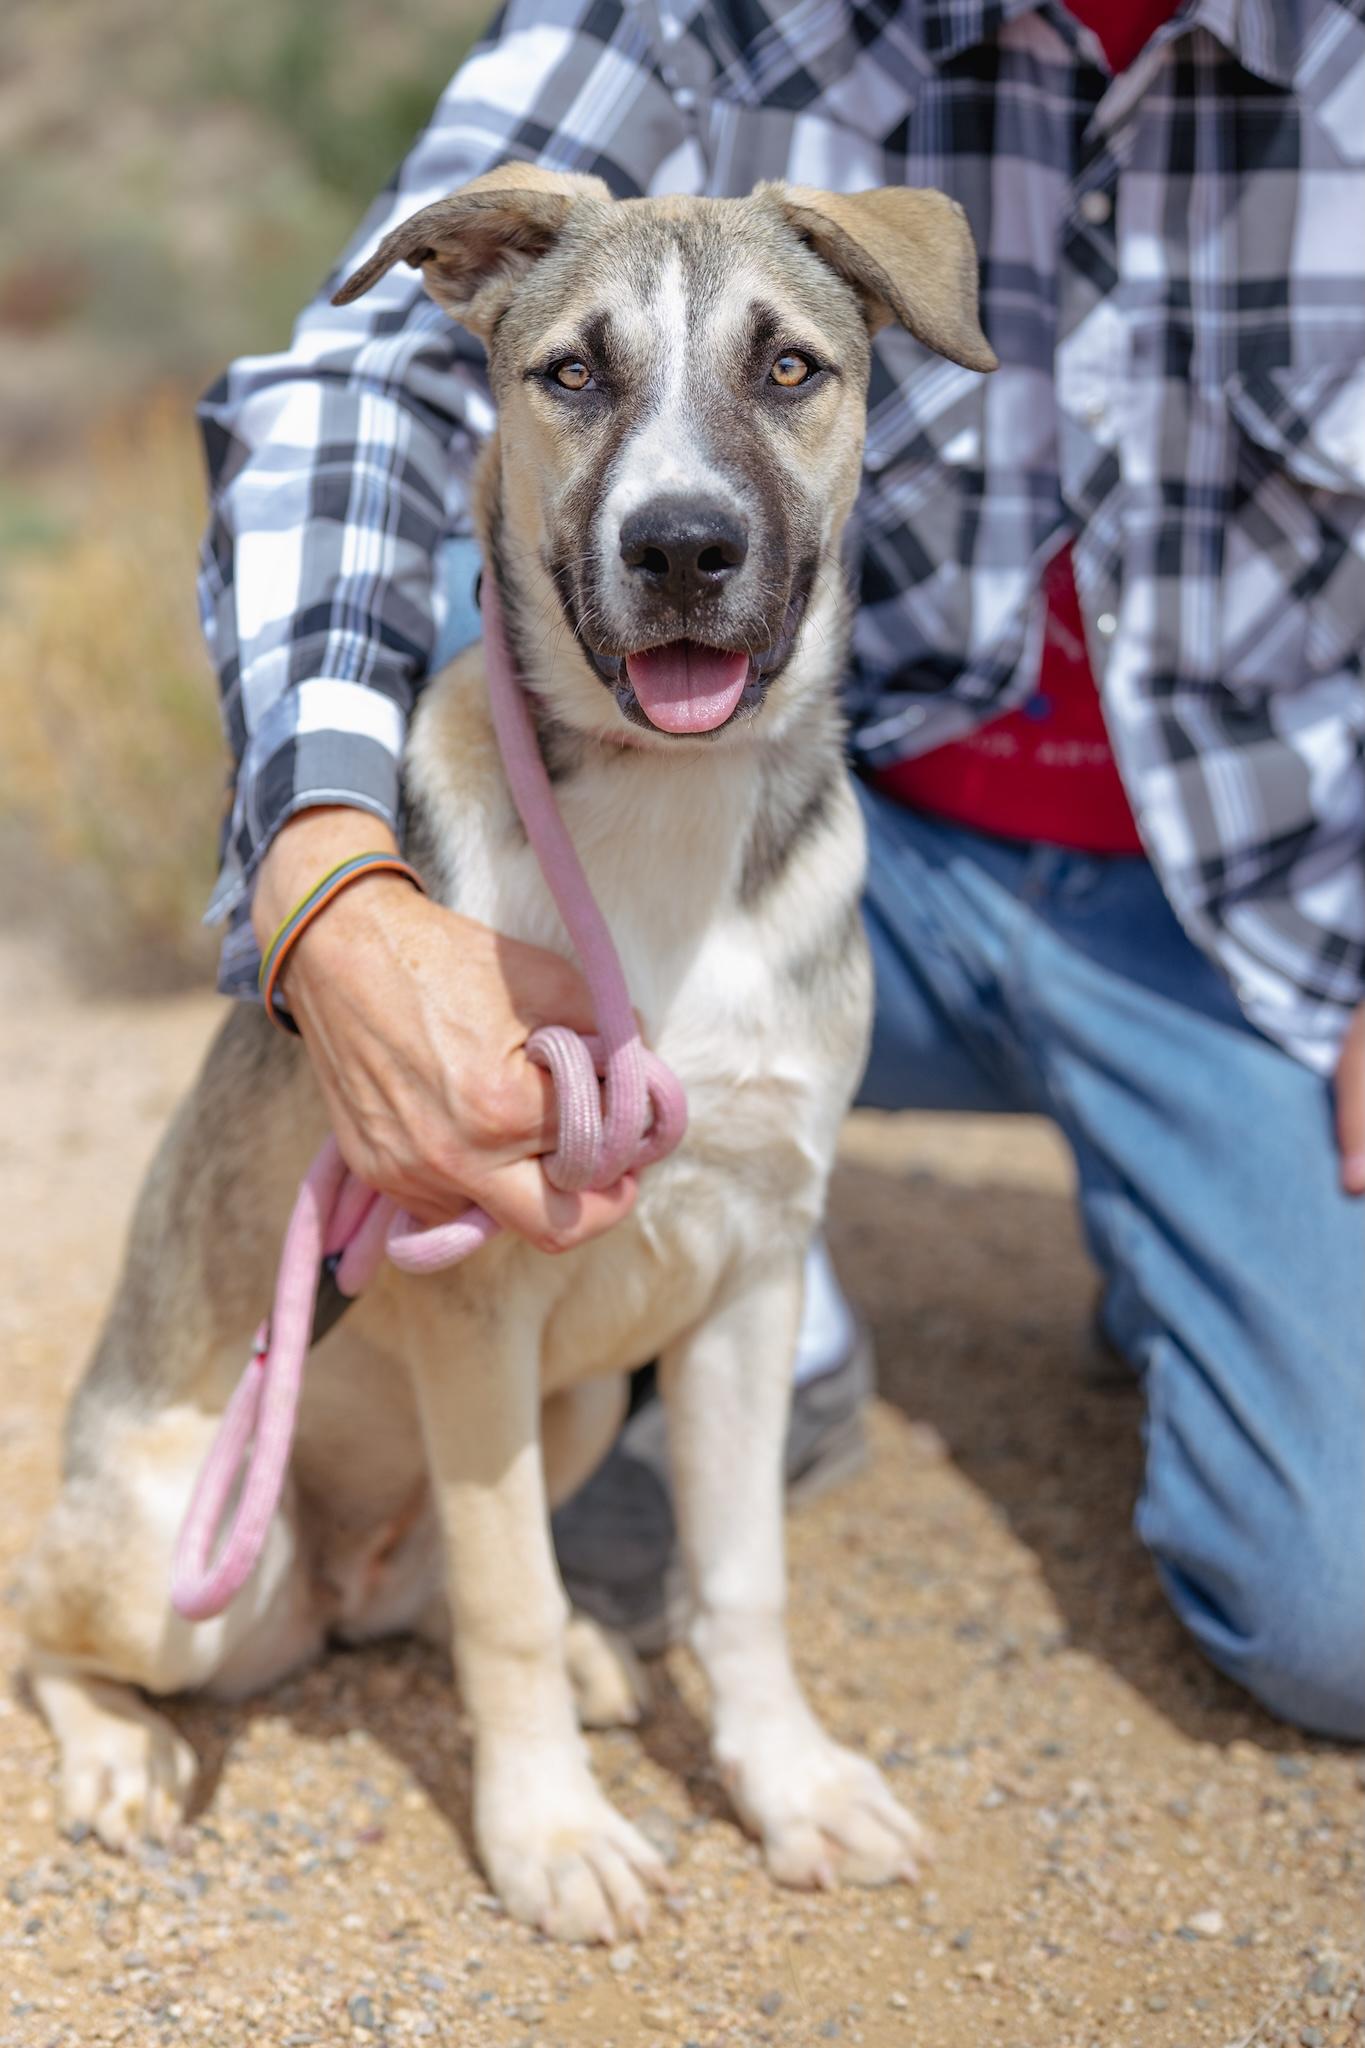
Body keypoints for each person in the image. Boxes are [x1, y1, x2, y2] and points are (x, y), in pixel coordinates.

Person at [197, 0, 1365, 1739]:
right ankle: (733, 1249)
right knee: (464, 601)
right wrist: (327, 877)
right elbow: (351, 383)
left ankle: (1156, 1219)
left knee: (1329, 1625)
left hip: (1248, 923)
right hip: (821, 829)